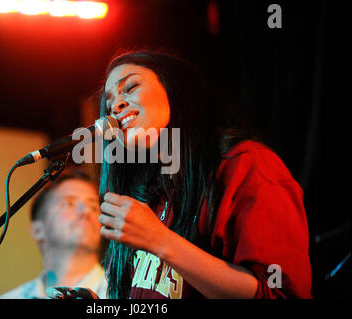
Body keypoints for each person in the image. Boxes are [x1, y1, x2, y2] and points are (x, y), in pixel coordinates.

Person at [48, 49, 312, 299]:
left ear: (175, 90)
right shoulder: (151, 191)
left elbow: (279, 292)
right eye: (109, 103)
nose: (116, 106)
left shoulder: (247, 165)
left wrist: (161, 241)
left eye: (131, 87)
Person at [0, 169, 107, 299]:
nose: (86, 212)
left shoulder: (125, 294)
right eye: (69, 204)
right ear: (38, 230)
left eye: (93, 207)